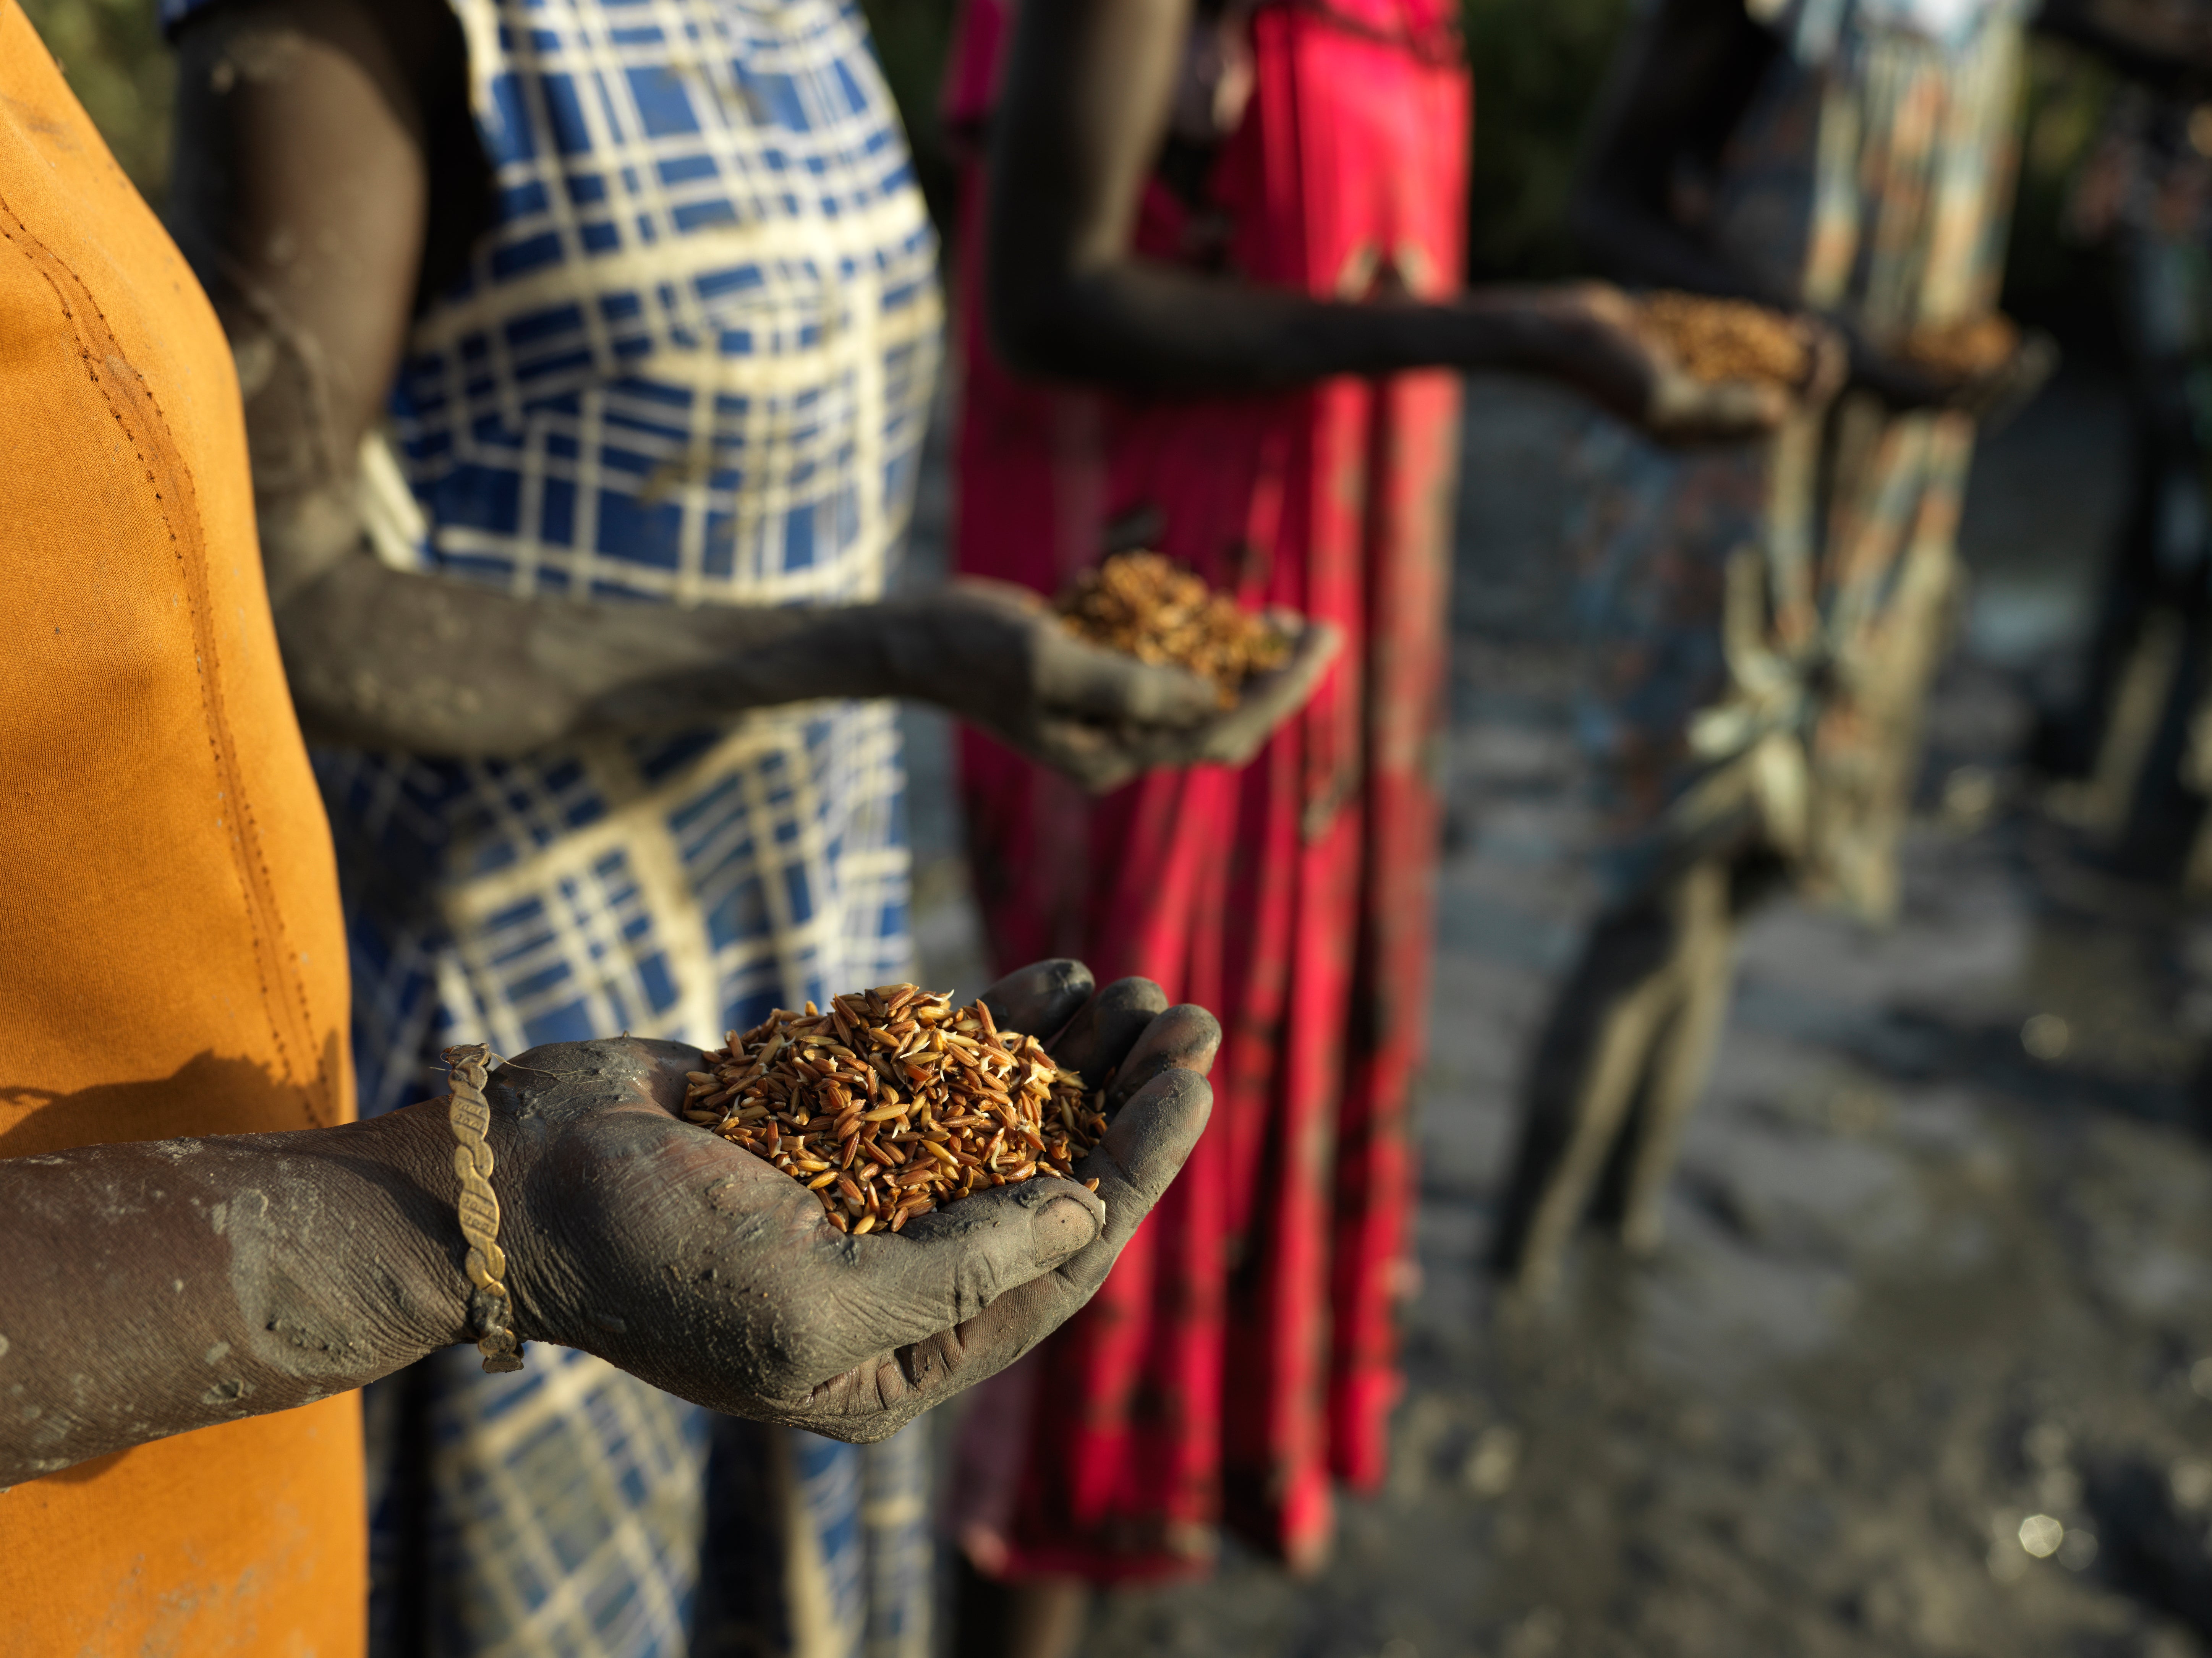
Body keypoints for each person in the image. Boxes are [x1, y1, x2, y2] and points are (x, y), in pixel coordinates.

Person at [0, 10, 1216, 1653]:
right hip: (506, 977)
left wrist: (901, 650)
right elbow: (282, 586)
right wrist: (463, 1212)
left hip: (775, 921)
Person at [934, 0, 1813, 1645]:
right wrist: (1502, 338)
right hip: (1159, 644)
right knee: (1073, 1188)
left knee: (1232, 1139)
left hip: (1341, 641)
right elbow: (1047, 295)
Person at [1488, 0, 2050, 1299]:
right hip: (1724, 499)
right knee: (1660, 896)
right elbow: (1608, 205)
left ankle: (1618, 1251)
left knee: (1740, 893)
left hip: (1885, 511)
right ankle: (1520, 1279)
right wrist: (1839, 347)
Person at [2030, 0, 2212, 879]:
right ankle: (2120, 773)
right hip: (2174, 251)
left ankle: (2154, 796)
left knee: (2181, 530)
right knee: (2160, 519)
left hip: (2183, 256)